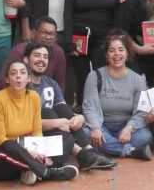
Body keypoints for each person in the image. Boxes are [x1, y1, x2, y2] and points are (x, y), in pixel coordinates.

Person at [0, 60, 79, 184]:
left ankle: (31, 171)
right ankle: (47, 172)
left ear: (28, 78)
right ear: (7, 79)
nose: (18, 76)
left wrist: (40, 152)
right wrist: (28, 152)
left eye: (22, 73)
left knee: (67, 139)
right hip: (1, 154)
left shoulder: (33, 97)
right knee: (9, 145)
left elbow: (37, 130)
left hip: (28, 146)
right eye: (13, 73)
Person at [18, 41, 115, 171]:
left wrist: (79, 117)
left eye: (45, 57)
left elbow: (63, 111)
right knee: (47, 112)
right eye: (37, 55)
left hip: (53, 140)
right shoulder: (20, 85)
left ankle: (89, 152)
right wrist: (56, 123)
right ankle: (81, 154)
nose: (42, 60)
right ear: (25, 59)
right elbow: (22, 122)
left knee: (61, 109)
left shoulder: (51, 83)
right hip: (29, 142)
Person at [62, 0, 121, 109]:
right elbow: (67, 12)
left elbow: (120, 3)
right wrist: (68, 41)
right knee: (83, 78)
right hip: (80, 37)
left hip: (104, 37)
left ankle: (104, 110)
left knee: (102, 76)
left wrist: (116, 36)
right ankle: (82, 110)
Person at [82, 33, 152, 160]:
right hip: (102, 125)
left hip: (125, 127)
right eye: (112, 50)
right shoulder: (94, 76)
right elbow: (89, 107)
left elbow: (142, 111)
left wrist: (129, 128)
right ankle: (130, 150)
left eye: (121, 50)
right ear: (106, 55)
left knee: (144, 136)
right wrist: (96, 127)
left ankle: (107, 148)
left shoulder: (137, 79)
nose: (117, 54)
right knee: (86, 133)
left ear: (127, 54)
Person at [2, 17, 68, 93]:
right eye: (44, 33)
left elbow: (60, 84)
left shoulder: (58, 52)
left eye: (52, 34)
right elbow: (3, 81)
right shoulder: (19, 51)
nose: (48, 37)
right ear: (34, 32)